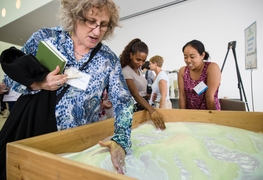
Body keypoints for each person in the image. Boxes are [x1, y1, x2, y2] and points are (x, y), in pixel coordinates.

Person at [0, 0, 133, 178]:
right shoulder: (46, 38)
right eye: (91, 21)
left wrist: (121, 140)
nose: (97, 31)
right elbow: (11, 78)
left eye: (103, 25)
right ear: (75, 16)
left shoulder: (108, 59)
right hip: (36, 135)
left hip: (77, 147)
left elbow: (124, 101)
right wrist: (40, 83)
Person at [119, 38, 166, 130]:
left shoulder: (139, 70)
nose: (140, 63)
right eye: (138, 59)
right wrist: (152, 110)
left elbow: (140, 92)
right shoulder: (126, 71)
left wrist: (148, 96)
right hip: (133, 109)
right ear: (131, 55)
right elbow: (135, 94)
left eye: (143, 61)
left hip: (143, 106)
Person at [178, 39, 221, 110]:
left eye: (192, 57)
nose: (188, 60)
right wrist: (182, 116)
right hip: (190, 115)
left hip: (209, 112)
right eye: (185, 57)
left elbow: (210, 96)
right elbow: (182, 95)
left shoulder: (211, 68)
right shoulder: (183, 71)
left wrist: (213, 118)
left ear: (202, 55)